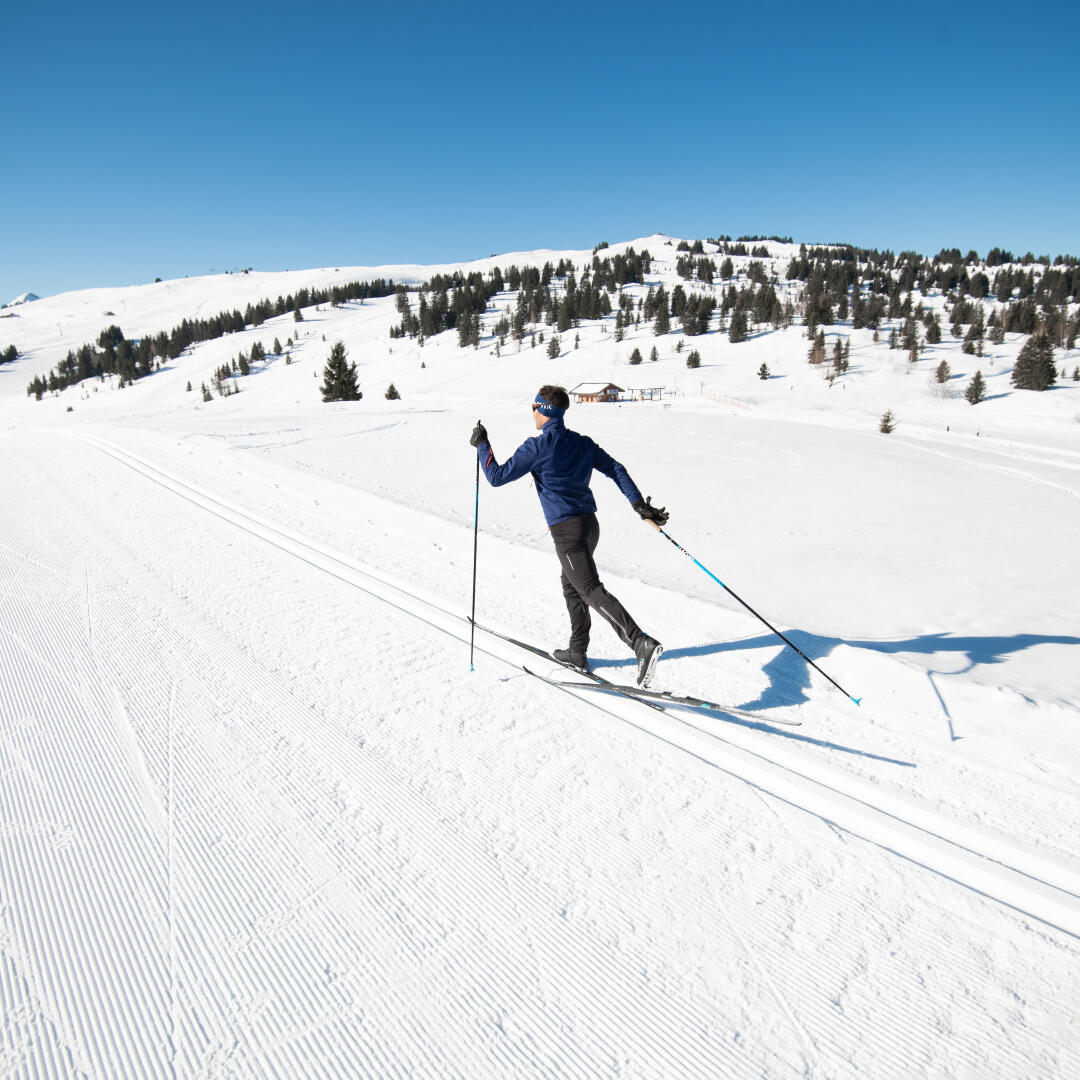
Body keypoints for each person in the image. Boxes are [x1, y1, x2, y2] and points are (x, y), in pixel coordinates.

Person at [470, 385, 667, 686]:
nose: (532, 413)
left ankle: (640, 642)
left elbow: (496, 477)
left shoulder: (538, 446)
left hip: (567, 532)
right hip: (589, 527)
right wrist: (637, 503)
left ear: (543, 409)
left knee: (589, 589)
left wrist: (482, 445)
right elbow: (615, 468)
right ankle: (577, 652)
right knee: (571, 584)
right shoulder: (582, 443)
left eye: (533, 407)